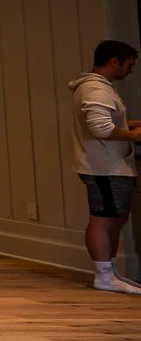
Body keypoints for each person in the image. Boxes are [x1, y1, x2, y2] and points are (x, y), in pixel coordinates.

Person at [70, 39, 141, 293]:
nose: (130, 70)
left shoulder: (98, 88)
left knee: (115, 218)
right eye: (129, 65)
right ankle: (104, 276)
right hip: (103, 167)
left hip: (108, 165)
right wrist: (133, 135)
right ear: (114, 61)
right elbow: (100, 128)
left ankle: (110, 273)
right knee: (103, 220)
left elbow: (107, 121)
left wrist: (130, 123)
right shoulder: (96, 90)